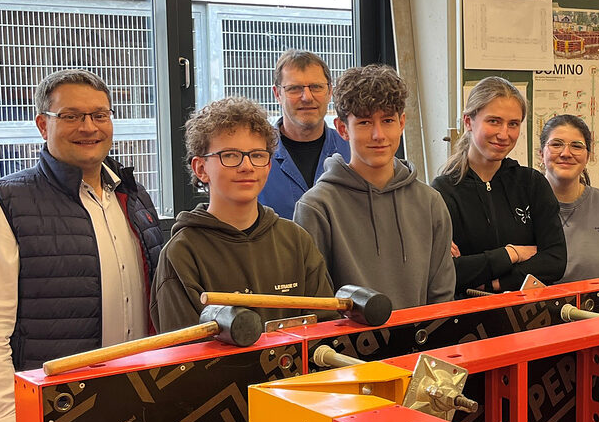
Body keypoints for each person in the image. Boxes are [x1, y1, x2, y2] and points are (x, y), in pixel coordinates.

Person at [0, 69, 165, 422]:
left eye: (99, 115)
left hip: (135, 405)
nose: (88, 127)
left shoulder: (133, 196)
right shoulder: (3, 205)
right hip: (53, 418)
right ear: (42, 124)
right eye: (71, 116)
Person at [151, 96, 334, 332]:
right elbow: (185, 357)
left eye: (257, 155)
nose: (246, 166)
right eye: (230, 155)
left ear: (268, 165)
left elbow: (326, 329)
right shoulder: (182, 254)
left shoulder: (297, 241)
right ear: (200, 168)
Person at [294, 64, 456, 309]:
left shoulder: (431, 202)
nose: (378, 135)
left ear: (402, 123)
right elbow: (318, 307)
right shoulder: (316, 208)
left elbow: (442, 298)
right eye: (365, 123)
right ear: (341, 129)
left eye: (388, 120)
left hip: (421, 344)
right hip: (344, 348)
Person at [433, 77, 566, 294]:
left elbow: (555, 260)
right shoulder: (443, 191)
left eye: (513, 124)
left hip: (528, 316)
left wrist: (493, 284)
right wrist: (511, 254)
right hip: (469, 321)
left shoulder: (532, 184)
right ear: (468, 122)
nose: (504, 134)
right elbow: (449, 271)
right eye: (493, 121)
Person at [259, 49, 351, 219]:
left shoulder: (352, 151)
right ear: (277, 94)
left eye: (316, 87)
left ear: (330, 91)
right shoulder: (255, 156)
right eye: (294, 89)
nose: (307, 97)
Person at [539, 114, 599, 283]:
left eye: (577, 146)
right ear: (541, 154)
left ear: (588, 157)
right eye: (556, 144)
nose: (566, 153)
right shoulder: (523, 210)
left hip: (598, 310)